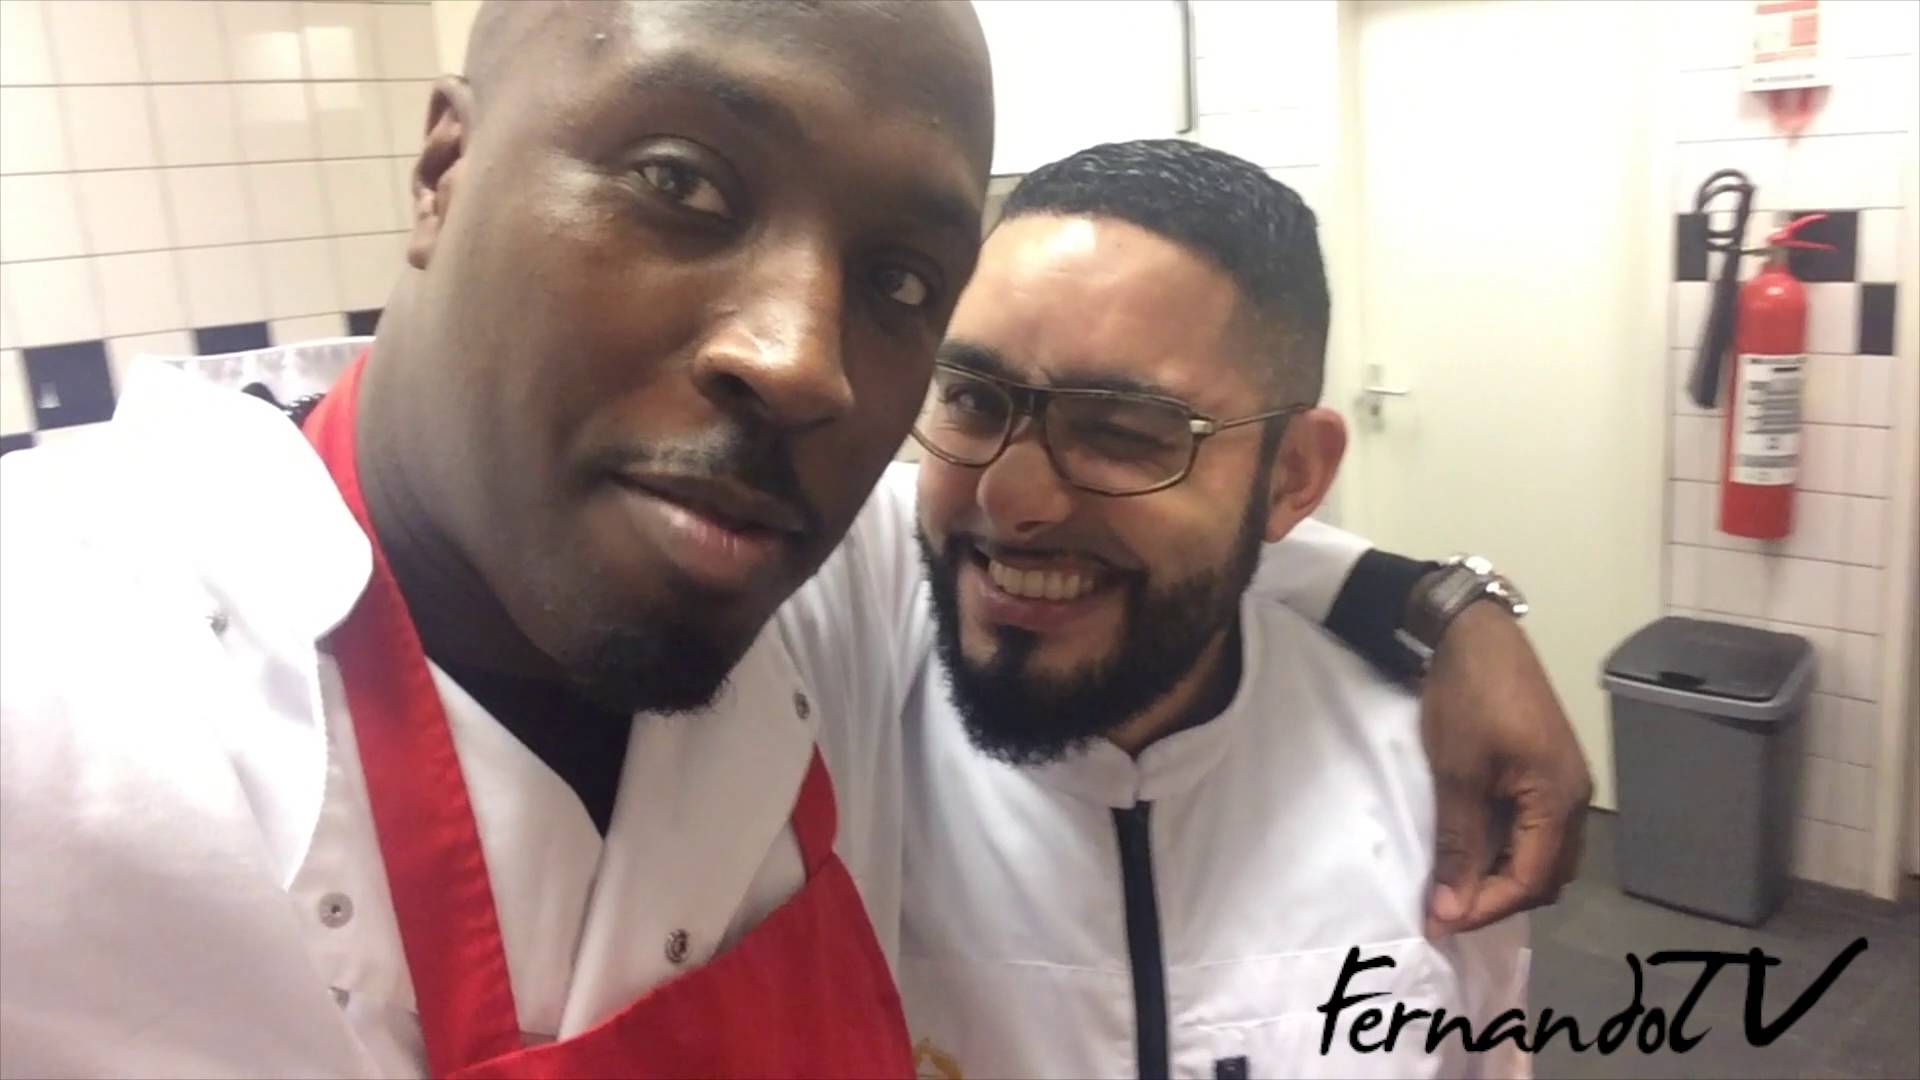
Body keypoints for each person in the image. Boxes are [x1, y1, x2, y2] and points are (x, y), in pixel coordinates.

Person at [0, 3, 1585, 1077]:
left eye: (897, 281)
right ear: (443, 168)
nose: (804, 360)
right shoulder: (74, 693)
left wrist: (1444, 605)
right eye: (681, 182)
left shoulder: (782, 569)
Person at [896, 141, 1530, 1079]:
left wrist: (1463, 607)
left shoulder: (1431, 794)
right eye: (974, 400)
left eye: (1122, 431)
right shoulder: (852, 737)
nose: (1009, 497)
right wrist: (1456, 603)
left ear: (1293, 475)